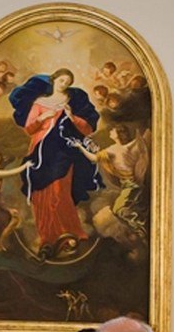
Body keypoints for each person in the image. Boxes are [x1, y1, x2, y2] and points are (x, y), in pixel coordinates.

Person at [8, 68, 104, 259]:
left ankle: (69, 231)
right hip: (41, 151)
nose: (64, 85)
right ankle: (47, 237)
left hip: (63, 152)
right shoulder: (40, 103)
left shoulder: (71, 103)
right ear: (54, 81)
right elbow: (29, 129)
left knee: (60, 191)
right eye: (61, 81)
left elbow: (86, 129)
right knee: (41, 195)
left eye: (67, 82)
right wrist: (42, 117)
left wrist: (72, 116)